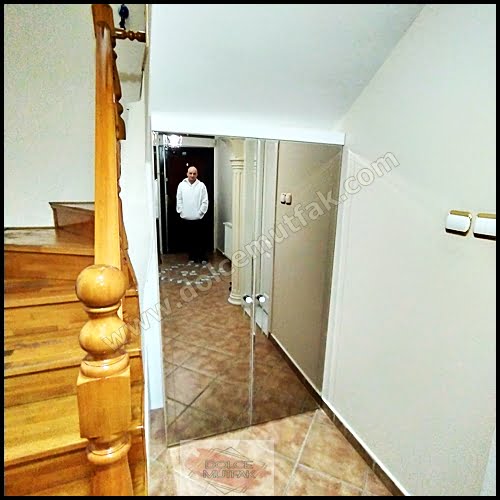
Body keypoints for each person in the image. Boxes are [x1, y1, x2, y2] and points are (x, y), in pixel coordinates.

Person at [176, 166, 209, 262]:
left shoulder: (201, 186)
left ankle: (202, 257)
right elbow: (179, 199)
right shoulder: (181, 185)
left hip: (198, 218)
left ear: (197, 174)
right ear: (187, 174)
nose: (192, 175)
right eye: (190, 173)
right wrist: (181, 211)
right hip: (186, 217)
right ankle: (192, 256)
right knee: (189, 239)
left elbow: (205, 201)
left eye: (194, 173)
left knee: (201, 239)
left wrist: (200, 212)